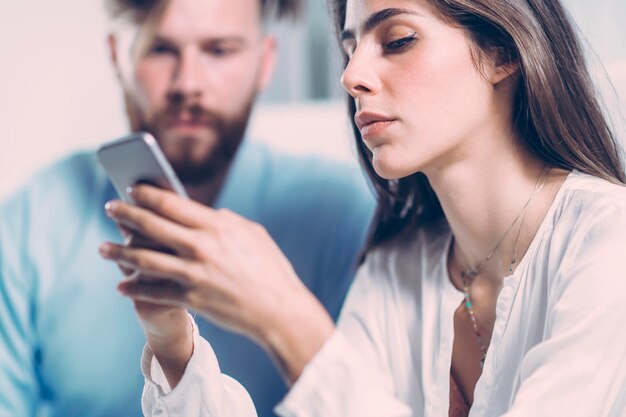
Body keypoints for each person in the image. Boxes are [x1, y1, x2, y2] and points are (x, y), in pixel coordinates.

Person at [102, 0, 626, 416]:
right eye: (349, 48)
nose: (351, 75)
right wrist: (172, 342)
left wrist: (286, 318)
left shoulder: (609, 241)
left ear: (501, 51)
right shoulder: (397, 270)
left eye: (397, 40)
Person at [0, 1, 375, 416]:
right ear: (116, 56)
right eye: (161, 49)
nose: (188, 83)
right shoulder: (29, 220)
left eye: (219, 50)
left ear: (265, 62)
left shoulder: (346, 216)